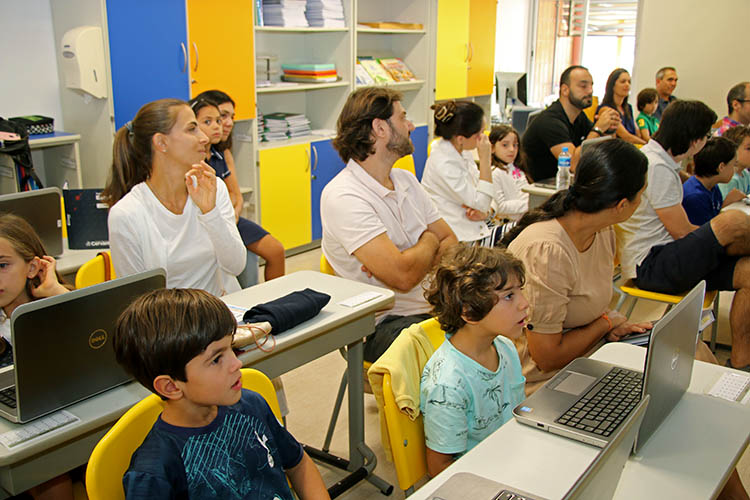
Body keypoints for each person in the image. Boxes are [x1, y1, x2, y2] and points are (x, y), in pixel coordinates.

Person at [113, 288, 329, 499]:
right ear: (171, 387)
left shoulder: (251, 404)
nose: (236, 364)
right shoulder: (154, 472)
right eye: (216, 359)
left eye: (231, 348)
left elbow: (299, 464)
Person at [502, 139, 652, 394]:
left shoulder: (602, 231)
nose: (643, 200)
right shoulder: (547, 251)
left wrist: (611, 326)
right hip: (540, 382)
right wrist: (605, 324)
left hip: (586, 359)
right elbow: (546, 358)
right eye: (642, 194)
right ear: (621, 205)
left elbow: (588, 304)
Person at [321, 87, 457, 363]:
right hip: (380, 325)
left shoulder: (406, 180)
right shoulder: (343, 195)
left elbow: (452, 241)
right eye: (403, 118)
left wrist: (413, 259)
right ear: (380, 128)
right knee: (457, 355)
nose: (411, 126)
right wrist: (430, 241)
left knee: (494, 324)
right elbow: (403, 276)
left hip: (431, 307)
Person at [617, 100, 750, 372]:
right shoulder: (656, 166)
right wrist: (719, 237)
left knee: (748, 270)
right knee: (732, 223)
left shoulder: (664, 164)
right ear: (694, 140)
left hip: (668, 257)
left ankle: (740, 363)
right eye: (706, 135)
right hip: (652, 265)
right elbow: (681, 232)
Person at [103, 98, 246, 297]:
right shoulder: (127, 213)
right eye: (192, 129)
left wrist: (210, 213)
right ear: (161, 142)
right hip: (169, 316)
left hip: (222, 308)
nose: (204, 138)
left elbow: (236, 265)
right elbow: (138, 301)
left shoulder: (213, 188)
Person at [420, 244, 527, 476]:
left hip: (513, 456)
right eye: (509, 296)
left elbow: (517, 415)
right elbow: (439, 468)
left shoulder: (505, 347)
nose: (524, 303)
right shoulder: (448, 385)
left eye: (520, 290)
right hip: (481, 476)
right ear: (469, 311)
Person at [0, 213, 72, 500]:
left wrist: (55, 291)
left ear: (32, 267)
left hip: (59, 415)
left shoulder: (55, 307)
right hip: (16, 429)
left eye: (2, 265)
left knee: (48, 471)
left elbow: (102, 347)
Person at [193, 90, 286, 281]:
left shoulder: (221, 154)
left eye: (225, 119)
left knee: (276, 250)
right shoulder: (193, 161)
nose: (223, 124)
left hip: (230, 219)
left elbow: (236, 195)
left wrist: (232, 215)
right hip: (209, 222)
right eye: (219, 118)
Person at [522, 65, 620, 181]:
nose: (590, 91)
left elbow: (599, 148)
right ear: (565, 90)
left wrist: (608, 129)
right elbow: (573, 164)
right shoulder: (550, 121)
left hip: (564, 183)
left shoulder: (579, 117)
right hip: (540, 186)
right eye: (583, 86)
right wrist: (598, 129)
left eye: (591, 86)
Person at [420, 101, 494, 244]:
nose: (484, 139)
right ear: (460, 138)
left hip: (475, 229)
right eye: (480, 134)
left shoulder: (461, 151)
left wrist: (487, 212)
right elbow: (482, 202)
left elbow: (487, 194)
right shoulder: (444, 164)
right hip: (460, 238)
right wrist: (485, 159)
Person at [682, 136, 746, 226]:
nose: (735, 170)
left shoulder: (712, 186)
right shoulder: (695, 197)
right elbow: (705, 231)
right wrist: (726, 203)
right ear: (721, 167)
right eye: (734, 165)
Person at [488, 125, 529, 221]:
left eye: (515, 145)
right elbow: (500, 207)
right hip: (509, 223)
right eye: (505, 145)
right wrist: (528, 204)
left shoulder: (516, 168)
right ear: (492, 148)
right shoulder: (494, 173)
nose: (512, 149)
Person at [597, 68, 646, 145]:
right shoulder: (606, 109)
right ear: (612, 86)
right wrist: (647, 145)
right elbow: (626, 136)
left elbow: (637, 133)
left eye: (629, 82)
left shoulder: (628, 108)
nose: (627, 85)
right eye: (623, 82)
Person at [719, 126, 750, 197]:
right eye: (749, 148)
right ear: (733, 150)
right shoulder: (728, 180)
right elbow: (726, 204)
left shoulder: (745, 174)